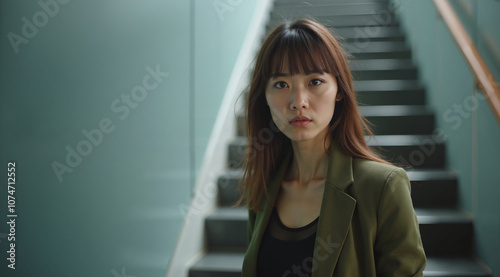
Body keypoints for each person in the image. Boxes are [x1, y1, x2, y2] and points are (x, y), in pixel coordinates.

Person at [237, 18, 426, 276]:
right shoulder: (264, 186)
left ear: (339, 89)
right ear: (265, 98)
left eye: (315, 81)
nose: (298, 102)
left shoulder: (383, 187)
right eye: (281, 84)